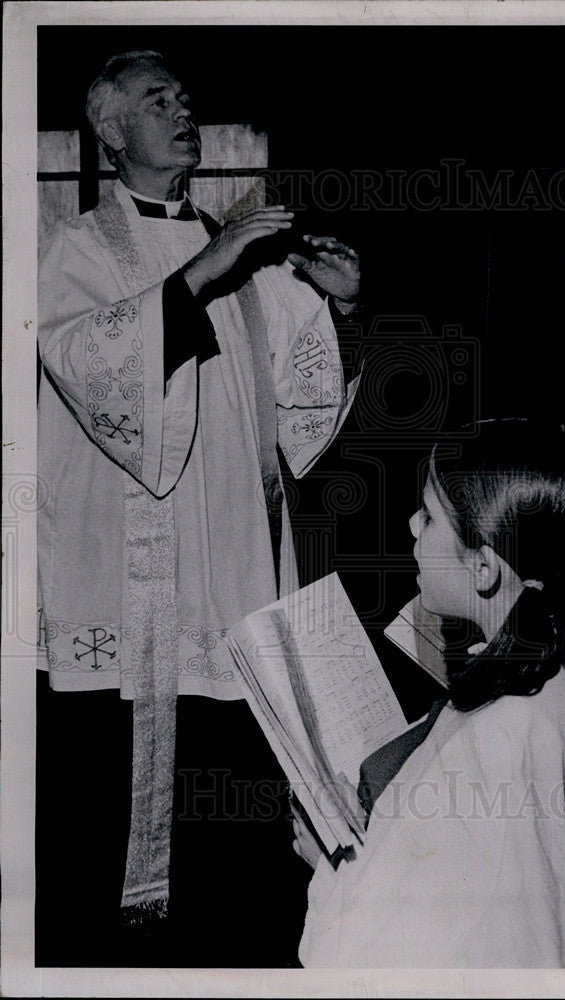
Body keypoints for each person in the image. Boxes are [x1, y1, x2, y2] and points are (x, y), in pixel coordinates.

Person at [37, 49, 361, 964]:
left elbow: (299, 419)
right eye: (156, 99)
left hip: (230, 566)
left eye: (184, 98)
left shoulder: (247, 250)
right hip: (124, 574)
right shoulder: (76, 248)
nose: (182, 110)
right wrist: (199, 272)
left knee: (230, 781)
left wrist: (336, 311)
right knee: (105, 791)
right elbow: (87, 364)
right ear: (109, 130)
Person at [293, 419, 565, 968]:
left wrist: (331, 866)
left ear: (482, 567)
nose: (410, 526)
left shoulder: (505, 733)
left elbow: (409, 959)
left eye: (429, 517)